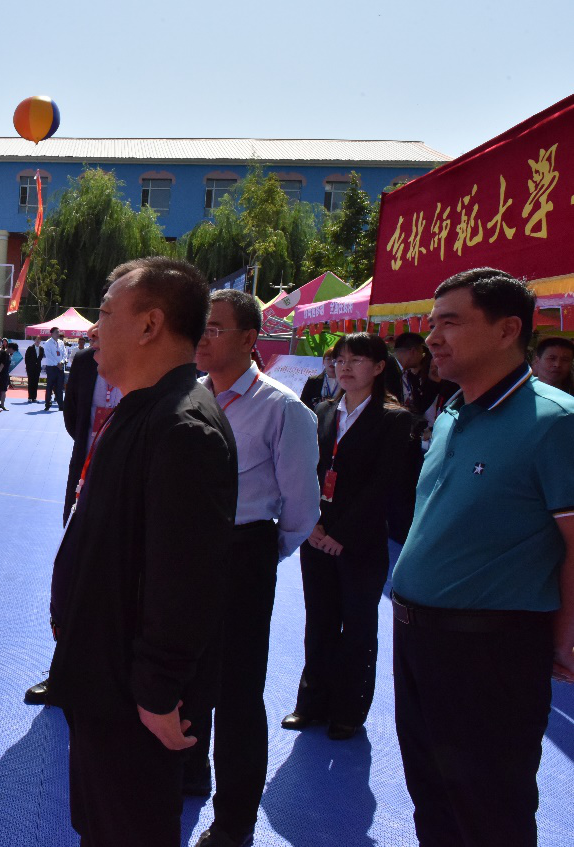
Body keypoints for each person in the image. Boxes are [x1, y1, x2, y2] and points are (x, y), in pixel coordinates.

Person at [48, 257, 237, 847]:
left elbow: (185, 579)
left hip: (133, 698)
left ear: (151, 325)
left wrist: (157, 690)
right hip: (103, 677)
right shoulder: (142, 409)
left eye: (106, 313)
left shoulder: (182, 427)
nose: (93, 329)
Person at [389, 268, 574, 847]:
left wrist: (565, 637)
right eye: (431, 322)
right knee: (432, 799)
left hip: (490, 650)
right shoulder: (451, 412)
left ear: (507, 330)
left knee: (489, 809)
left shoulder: (556, 421)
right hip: (416, 639)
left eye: (450, 322)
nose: (432, 337)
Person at [187, 290, 320, 847]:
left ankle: (235, 820)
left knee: (238, 692)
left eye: (215, 328)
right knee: (185, 670)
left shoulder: (283, 409)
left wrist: (260, 552)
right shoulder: (189, 396)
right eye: (200, 326)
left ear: (249, 338)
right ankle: (189, 771)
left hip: (244, 552)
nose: (202, 336)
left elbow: (301, 508)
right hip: (187, 552)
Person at [281, 333, 419, 746]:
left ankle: (348, 711)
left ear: (378, 367)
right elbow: (306, 470)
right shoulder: (322, 411)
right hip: (317, 535)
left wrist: (342, 533)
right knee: (319, 621)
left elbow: (385, 485)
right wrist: (312, 524)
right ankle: (312, 703)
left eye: (356, 359)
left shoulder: (396, 420)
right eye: (339, 359)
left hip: (360, 542)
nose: (344, 366)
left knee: (357, 626)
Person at [24, 342, 122, 706]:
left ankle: (114, 674)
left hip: (129, 480)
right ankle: (64, 671)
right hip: (85, 476)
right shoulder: (84, 361)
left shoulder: (147, 360)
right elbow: (73, 417)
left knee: (119, 579)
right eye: (103, 314)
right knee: (71, 575)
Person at [393, 331, 437, 415]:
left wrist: (434, 380)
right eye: (422, 353)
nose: (422, 357)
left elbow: (420, 406)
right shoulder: (387, 371)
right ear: (413, 351)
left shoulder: (409, 375)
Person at [42, 326, 65, 410]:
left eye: (59, 332)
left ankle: (61, 405)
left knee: (60, 387)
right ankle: (47, 404)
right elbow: (49, 356)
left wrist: (62, 362)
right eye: (56, 332)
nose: (58, 334)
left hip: (60, 367)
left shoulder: (61, 342)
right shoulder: (47, 343)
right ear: (51, 334)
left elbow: (64, 354)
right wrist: (56, 364)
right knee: (50, 386)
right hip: (51, 368)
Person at [25, 337, 44, 402]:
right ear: (34, 340)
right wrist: (28, 367)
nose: (37, 341)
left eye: (39, 339)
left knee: (36, 382)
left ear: (40, 341)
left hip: (37, 368)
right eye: (36, 339)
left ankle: (34, 397)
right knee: (30, 382)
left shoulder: (41, 349)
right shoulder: (30, 348)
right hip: (30, 368)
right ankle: (30, 397)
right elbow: (26, 358)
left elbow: (40, 358)